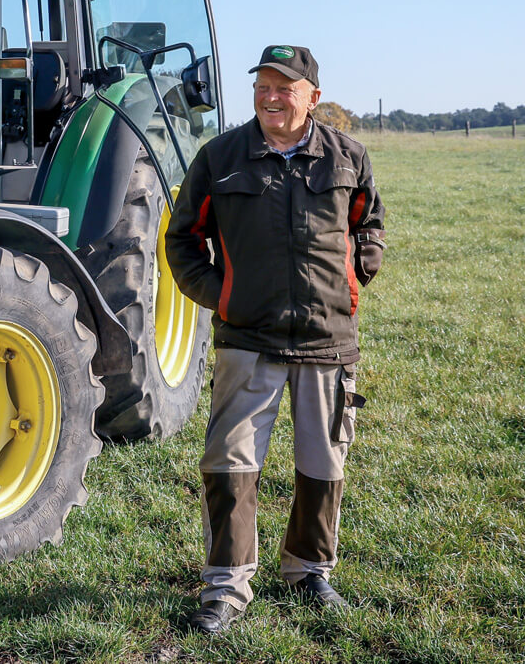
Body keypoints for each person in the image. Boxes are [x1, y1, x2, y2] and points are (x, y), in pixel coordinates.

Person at [165, 45, 386, 633]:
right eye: (262, 85)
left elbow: (368, 223)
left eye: (284, 87)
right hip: (247, 337)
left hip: (326, 338)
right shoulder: (221, 158)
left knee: (323, 461)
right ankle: (226, 589)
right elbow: (182, 239)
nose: (270, 96)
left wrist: (359, 273)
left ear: (312, 95)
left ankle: (310, 571)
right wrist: (225, 295)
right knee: (229, 463)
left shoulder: (348, 157)